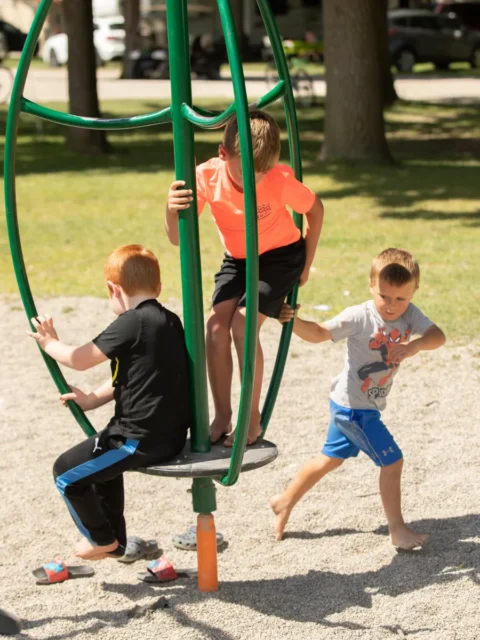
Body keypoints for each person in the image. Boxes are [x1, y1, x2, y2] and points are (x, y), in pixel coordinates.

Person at [165, 110, 324, 447]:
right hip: (238, 260)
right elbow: (179, 238)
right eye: (245, 172)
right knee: (215, 328)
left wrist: (306, 264)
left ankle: (251, 420)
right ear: (223, 155)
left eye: (261, 173)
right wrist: (171, 209)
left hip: (281, 258)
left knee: (242, 324)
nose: (254, 181)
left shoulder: (277, 181)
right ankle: (222, 415)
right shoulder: (207, 177)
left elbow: (315, 208)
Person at [271, 248, 446, 550]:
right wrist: (292, 321)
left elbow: (438, 335)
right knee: (392, 462)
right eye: (384, 296)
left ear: (413, 292)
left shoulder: (410, 314)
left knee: (329, 459)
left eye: (400, 298)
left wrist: (414, 346)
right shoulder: (359, 317)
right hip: (356, 410)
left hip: (351, 403)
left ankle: (284, 500)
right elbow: (318, 333)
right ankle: (397, 530)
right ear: (371, 286)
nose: (391, 306)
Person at [27, 245, 191, 561]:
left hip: (137, 440)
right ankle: (114, 540)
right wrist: (91, 399)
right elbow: (133, 378)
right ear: (158, 287)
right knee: (101, 464)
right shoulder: (168, 321)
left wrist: (50, 343)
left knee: (65, 473)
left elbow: (78, 359)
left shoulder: (131, 323)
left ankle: (102, 540)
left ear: (112, 289)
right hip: (167, 437)